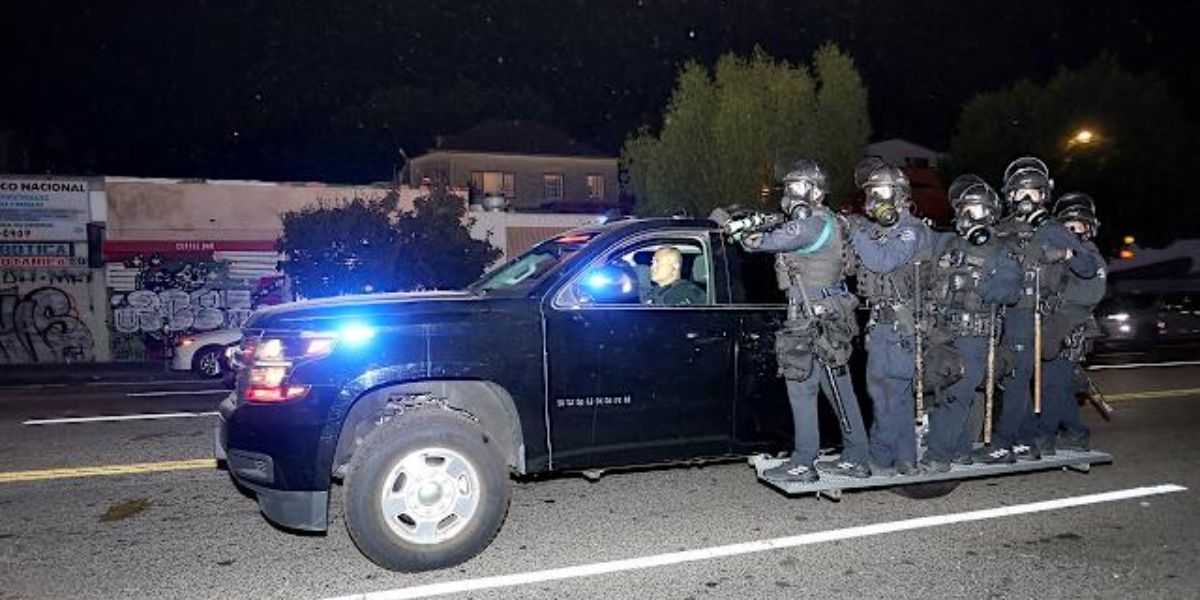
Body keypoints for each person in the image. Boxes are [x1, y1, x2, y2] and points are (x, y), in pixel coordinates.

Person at [740, 159, 871, 482]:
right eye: (789, 188)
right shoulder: (829, 221)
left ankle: (807, 461)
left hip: (814, 319)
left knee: (803, 386)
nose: (790, 194)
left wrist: (743, 228)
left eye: (797, 187)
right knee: (834, 387)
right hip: (823, 315)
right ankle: (853, 456)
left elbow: (764, 242)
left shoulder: (814, 223)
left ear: (816, 191)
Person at [985, 156, 1095, 463]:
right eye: (1020, 192)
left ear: (1044, 195)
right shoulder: (1000, 229)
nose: (1026, 199)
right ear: (1010, 195)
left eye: (1033, 192)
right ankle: (1026, 437)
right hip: (998, 314)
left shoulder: (1053, 229)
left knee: (1018, 379)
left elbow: (1086, 266)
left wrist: (1062, 251)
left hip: (1031, 314)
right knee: (1005, 379)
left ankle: (1008, 442)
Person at [922, 175, 1022, 471]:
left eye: (975, 209)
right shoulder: (947, 243)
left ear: (990, 213)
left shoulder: (1001, 249)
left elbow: (1011, 291)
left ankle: (939, 457)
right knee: (943, 389)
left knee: (956, 394)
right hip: (943, 331)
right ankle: (961, 449)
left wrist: (975, 282)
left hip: (975, 335)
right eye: (964, 208)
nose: (967, 215)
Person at [848, 158, 933, 476]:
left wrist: (858, 235)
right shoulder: (874, 231)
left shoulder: (911, 230)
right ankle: (886, 456)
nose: (875, 199)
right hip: (879, 324)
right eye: (871, 192)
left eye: (881, 191)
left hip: (902, 324)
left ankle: (899, 457)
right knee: (878, 392)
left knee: (895, 392)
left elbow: (885, 262)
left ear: (899, 194)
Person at [1036, 193, 1106, 453]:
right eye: (1067, 226)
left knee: (1052, 386)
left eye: (1078, 226)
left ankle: (1044, 436)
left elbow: (1090, 295)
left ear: (1088, 229)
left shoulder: (1091, 258)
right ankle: (1077, 433)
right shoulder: (1055, 256)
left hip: (1070, 331)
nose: (1072, 231)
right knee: (1058, 386)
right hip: (1050, 327)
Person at [642, 247, 706, 306]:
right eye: (652, 263)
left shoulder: (683, 294)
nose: (652, 267)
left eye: (657, 262)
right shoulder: (656, 291)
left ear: (675, 266)